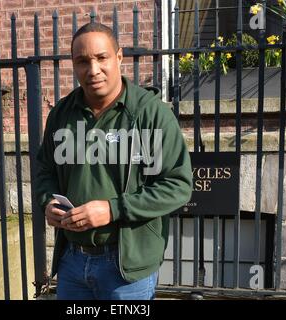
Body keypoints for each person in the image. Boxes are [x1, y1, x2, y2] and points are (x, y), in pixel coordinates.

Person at [35, 22, 193, 300]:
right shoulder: (61, 114)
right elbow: (44, 170)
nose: (93, 70)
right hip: (72, 263)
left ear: (119, 57)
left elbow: (177, 186)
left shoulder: (151, 114)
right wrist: (48, 201)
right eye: (82, 61)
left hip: (126, 268)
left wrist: (112, 209)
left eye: (101, 58)